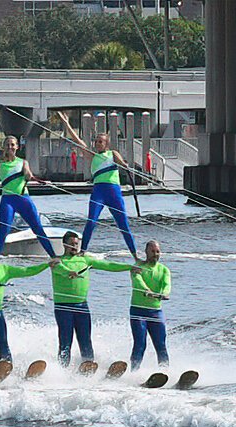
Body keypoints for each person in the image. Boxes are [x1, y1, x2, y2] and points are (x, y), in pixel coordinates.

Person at [47, 232, 137, 366]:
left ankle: (88, 365)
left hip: (82, 306)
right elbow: (60, 269)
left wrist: (129, 267)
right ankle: (62, 370)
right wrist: (69, 273)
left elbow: (108, 265)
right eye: (72, 244)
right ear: (64, 244)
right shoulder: (57, 261)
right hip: (63, 307)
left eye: (76, 244)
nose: (74, 247)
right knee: (65, 341)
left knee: (85, 340)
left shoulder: (85, 260)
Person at [58, 111, 138, 259]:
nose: (97, 143)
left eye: (100, 141)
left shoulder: (113, 154)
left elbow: (123, 163)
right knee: (91, 221)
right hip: (99, 192)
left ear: (106, 144)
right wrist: (67, 123)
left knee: (123, 225)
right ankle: (83, 251)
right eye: (96, 141)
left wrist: (126, 166)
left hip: (114, 192)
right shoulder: (92, 155)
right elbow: (77, 140)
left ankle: (135, 255)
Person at [0, 136, 58, 258]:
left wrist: (28, 175)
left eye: (12, 145)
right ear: (4, 147)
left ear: (17, 147)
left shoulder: (23, 162)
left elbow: (28, 174)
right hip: (8, 201)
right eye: (7, 145)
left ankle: (54, 258)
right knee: (3, 231)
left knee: (38, 229)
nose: (10, 147)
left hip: (23, 199)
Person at [129, 241, 171, 370]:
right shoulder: (138, 266)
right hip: (138, 311)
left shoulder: (164, 269)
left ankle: (165, 371)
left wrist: (164, 293)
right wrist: (146, 290)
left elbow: (167, 284)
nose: (155, 254)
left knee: (161, 344)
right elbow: (137, 281)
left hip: (155, 312)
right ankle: (134, 371)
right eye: (152, 251)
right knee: (140, 343)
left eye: (157, 251)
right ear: (146, 252)